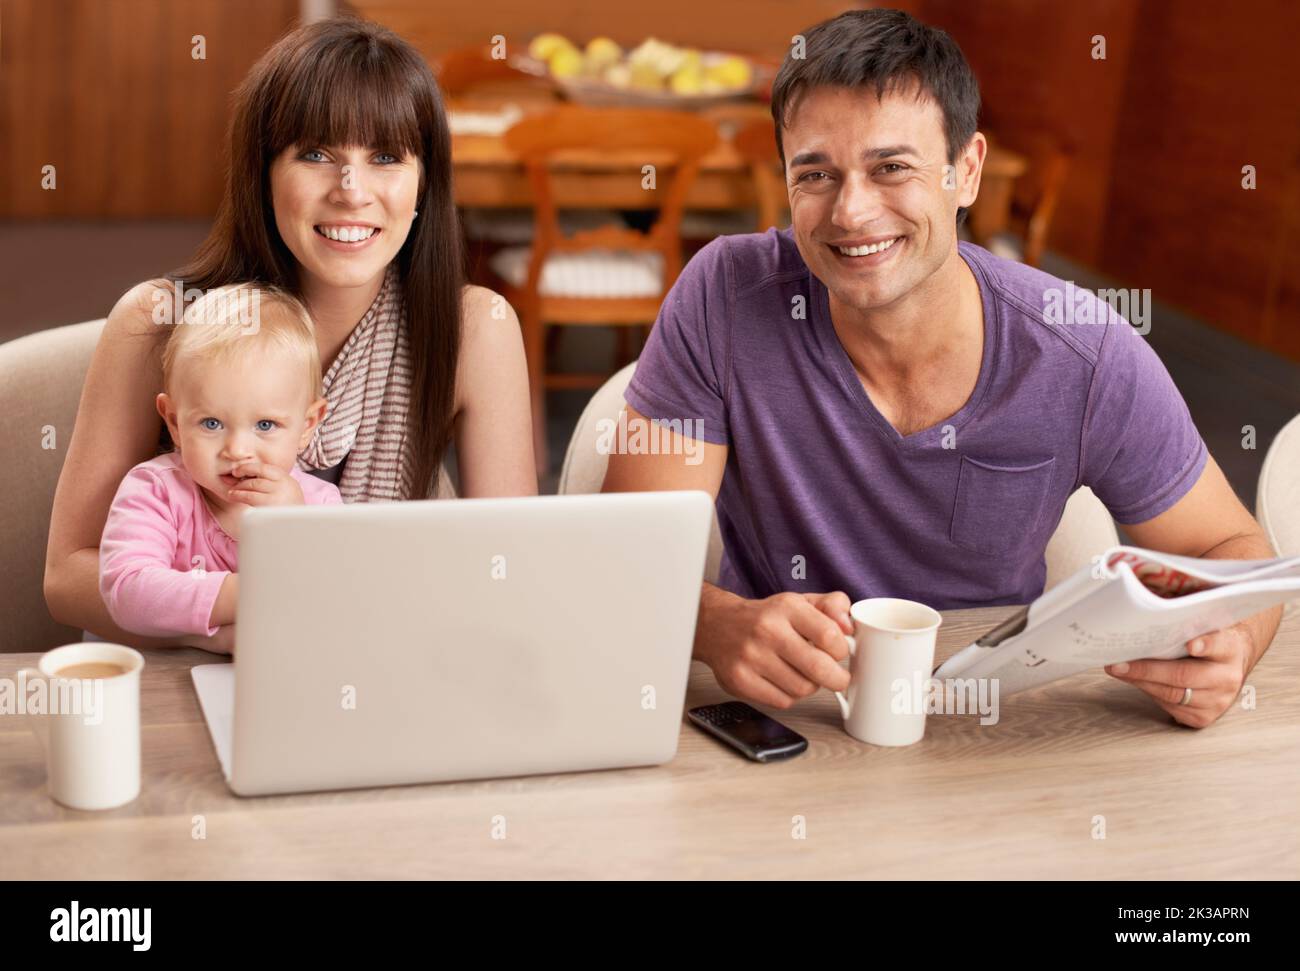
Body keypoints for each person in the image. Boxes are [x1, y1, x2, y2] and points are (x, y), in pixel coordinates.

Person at [602, 8, 1280, 728]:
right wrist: (717, 624)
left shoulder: (1082, 351)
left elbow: (1237, 551)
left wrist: (1230, 645)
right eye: (817, 174)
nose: (852, 211)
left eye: (891, 167)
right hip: (780, 722)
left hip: (987, 734)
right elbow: (616, 555)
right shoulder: (726, 298)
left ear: (967, 172)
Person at [45, 18, 536, 655]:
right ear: (263, 171)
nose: (351, 192)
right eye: (316, 154)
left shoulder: (476, 329)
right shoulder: (158, 321)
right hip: (182, 675)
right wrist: (241, 631)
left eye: (385, 157)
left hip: (376, 665)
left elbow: (511, 569)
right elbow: (67, 579)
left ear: (424, 184)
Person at [100, 285, 343, 639]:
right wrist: (252, 593)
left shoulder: (320, 504)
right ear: (174, 422)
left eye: (265, 425)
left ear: (307, 425)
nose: (238, 450)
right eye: (211, 423)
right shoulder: (156, 491)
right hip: (162, 675)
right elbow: (127, 591)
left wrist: (294, 527)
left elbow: (339, 599)